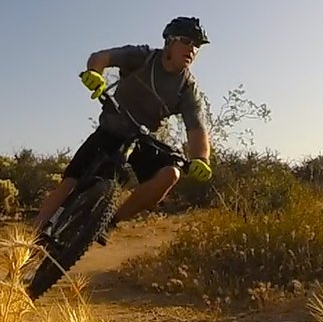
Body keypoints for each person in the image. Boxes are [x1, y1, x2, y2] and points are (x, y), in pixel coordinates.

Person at [33, 16, 214, 243]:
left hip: (143, 139)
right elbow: (101, 58)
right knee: (71, 182)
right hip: (112, 127)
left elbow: (196, 128)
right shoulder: (143, 57)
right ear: (169, 41)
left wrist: (201, 159)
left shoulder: (187, 88)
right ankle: (31, 240)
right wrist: (94, 73)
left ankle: (108, 222)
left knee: (171, 173)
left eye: (197, 46)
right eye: (186, 41)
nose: (192, 49)